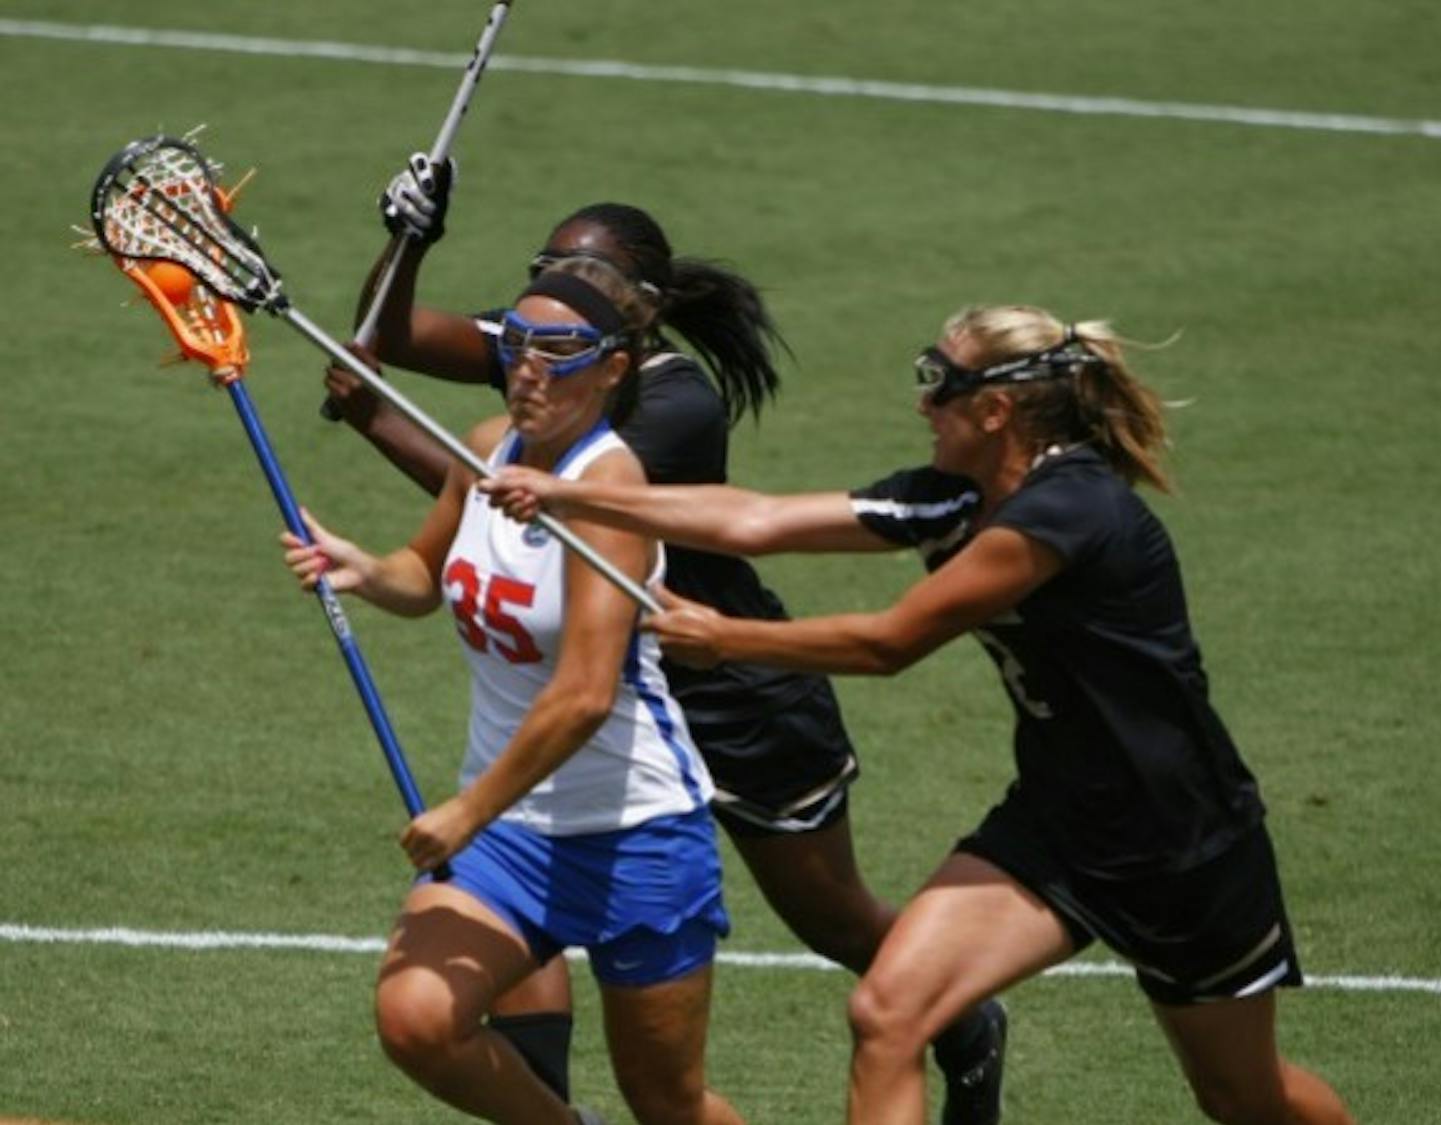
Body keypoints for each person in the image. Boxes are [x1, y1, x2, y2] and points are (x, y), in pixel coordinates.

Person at [483, 303, 1358, 1125]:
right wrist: (572, 494)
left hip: (1182, 841)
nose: (922, 401)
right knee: (889, 1011)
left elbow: (890, 642)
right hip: (1057, 824)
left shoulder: (1067, 511)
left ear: (997, 410)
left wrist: (728, 638)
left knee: (1242, 1095)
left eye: (939, 381)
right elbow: (754, 518)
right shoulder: (954, 497)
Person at [322, 155, 1007, 1122]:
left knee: (826, 921)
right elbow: (388, 341)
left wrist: (376, 417)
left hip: (730, 692)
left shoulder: (666, 411)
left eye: (587, 279)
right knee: (443, 1004)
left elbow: (534, 506)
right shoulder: (548, 346)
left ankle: (963, 1015)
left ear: (635, 319)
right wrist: (409, 238)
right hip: (567, 742)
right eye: (543, 274)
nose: (550, 307)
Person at [282, 257, 744, 1125]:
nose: (530, 368)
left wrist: (466, 810)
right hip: (514, 834)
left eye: (559, 352)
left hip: (635, 833)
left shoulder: (608, 492)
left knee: (668, 1102)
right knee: (417, 1019)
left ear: (612, 368)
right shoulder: (487, 445)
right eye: (520, 345)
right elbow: (427, 574)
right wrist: (367, 570)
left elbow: (585, 695)